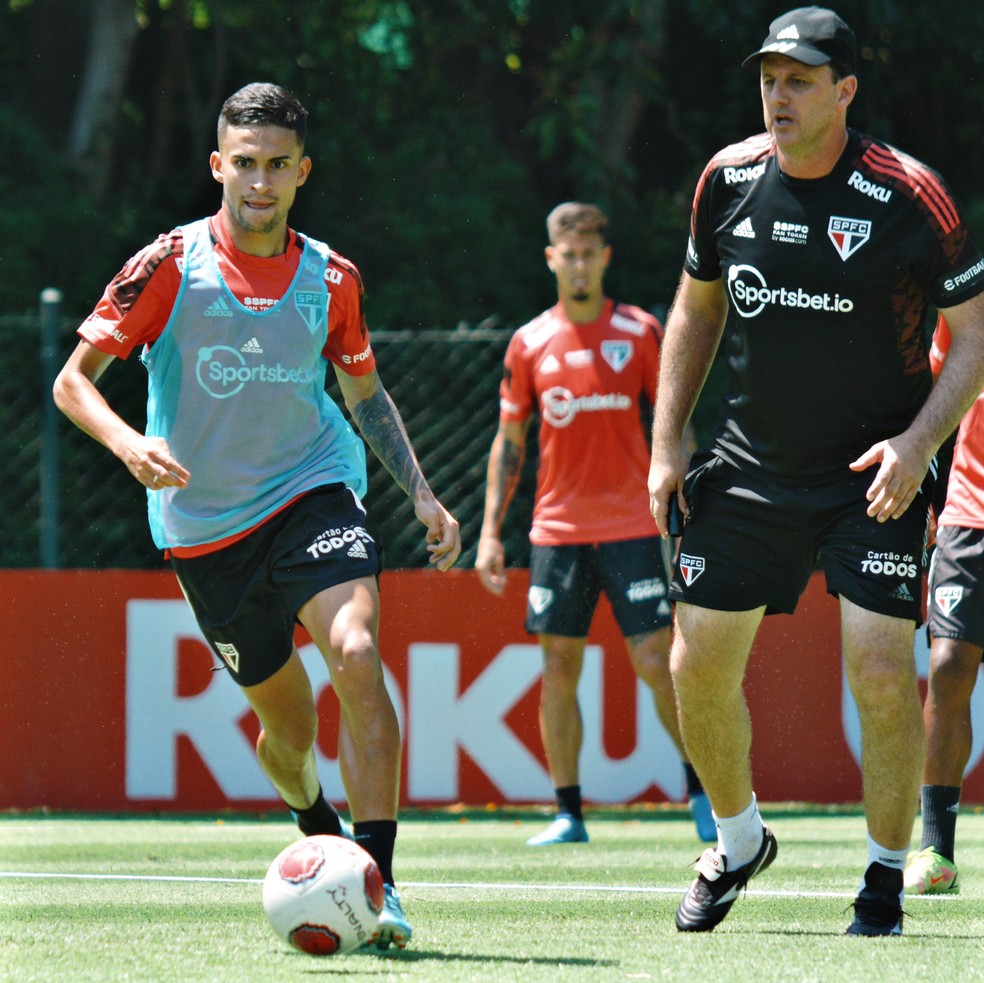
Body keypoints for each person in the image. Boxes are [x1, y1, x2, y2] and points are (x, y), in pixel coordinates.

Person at [52, 82, 461, 951]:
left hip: (313, 489)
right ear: (218, 166)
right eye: (245, 164)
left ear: (303, 172)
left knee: (355, 651)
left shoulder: (332, 277)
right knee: (286, 728)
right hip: (206, 531)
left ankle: (378, 881)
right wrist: (131, 445)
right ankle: (315, 819)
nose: (261, 182)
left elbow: (364, 392)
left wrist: (420, 491)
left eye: (279, 165)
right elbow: (72, 381)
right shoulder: (168, 265)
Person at [647, 7, 984, 937]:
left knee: (881, 670)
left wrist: (918, 446)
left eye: (799, 80)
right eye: (768, 78)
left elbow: (978, 339)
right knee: (696, 664)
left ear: (845, 91)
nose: (778, 95)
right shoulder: (728, 177)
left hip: (872, 474)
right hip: (748, 467)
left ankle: (882, 876)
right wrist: (666, 439)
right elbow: (696, 308)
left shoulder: (913, 194)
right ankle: (738, 839)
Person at [475, 201, 715, 848]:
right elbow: (509, 442)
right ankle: (568, 811)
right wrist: (491, 531)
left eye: (589, 253)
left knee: (655, 660)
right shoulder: (528, 341)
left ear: (604, 258)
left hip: (633, 525)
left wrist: (682, 502)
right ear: (551, 259)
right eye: (568, 254)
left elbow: (674, 425)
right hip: (556, 531)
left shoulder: (639, 331)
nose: (579, 264)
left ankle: (703, 790)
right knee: (557, 665)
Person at [904, 315, 984, 896]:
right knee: (948, 665)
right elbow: (933, 408)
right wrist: (928, 502)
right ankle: (936, 849)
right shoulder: (968, 309)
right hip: (968, 514)